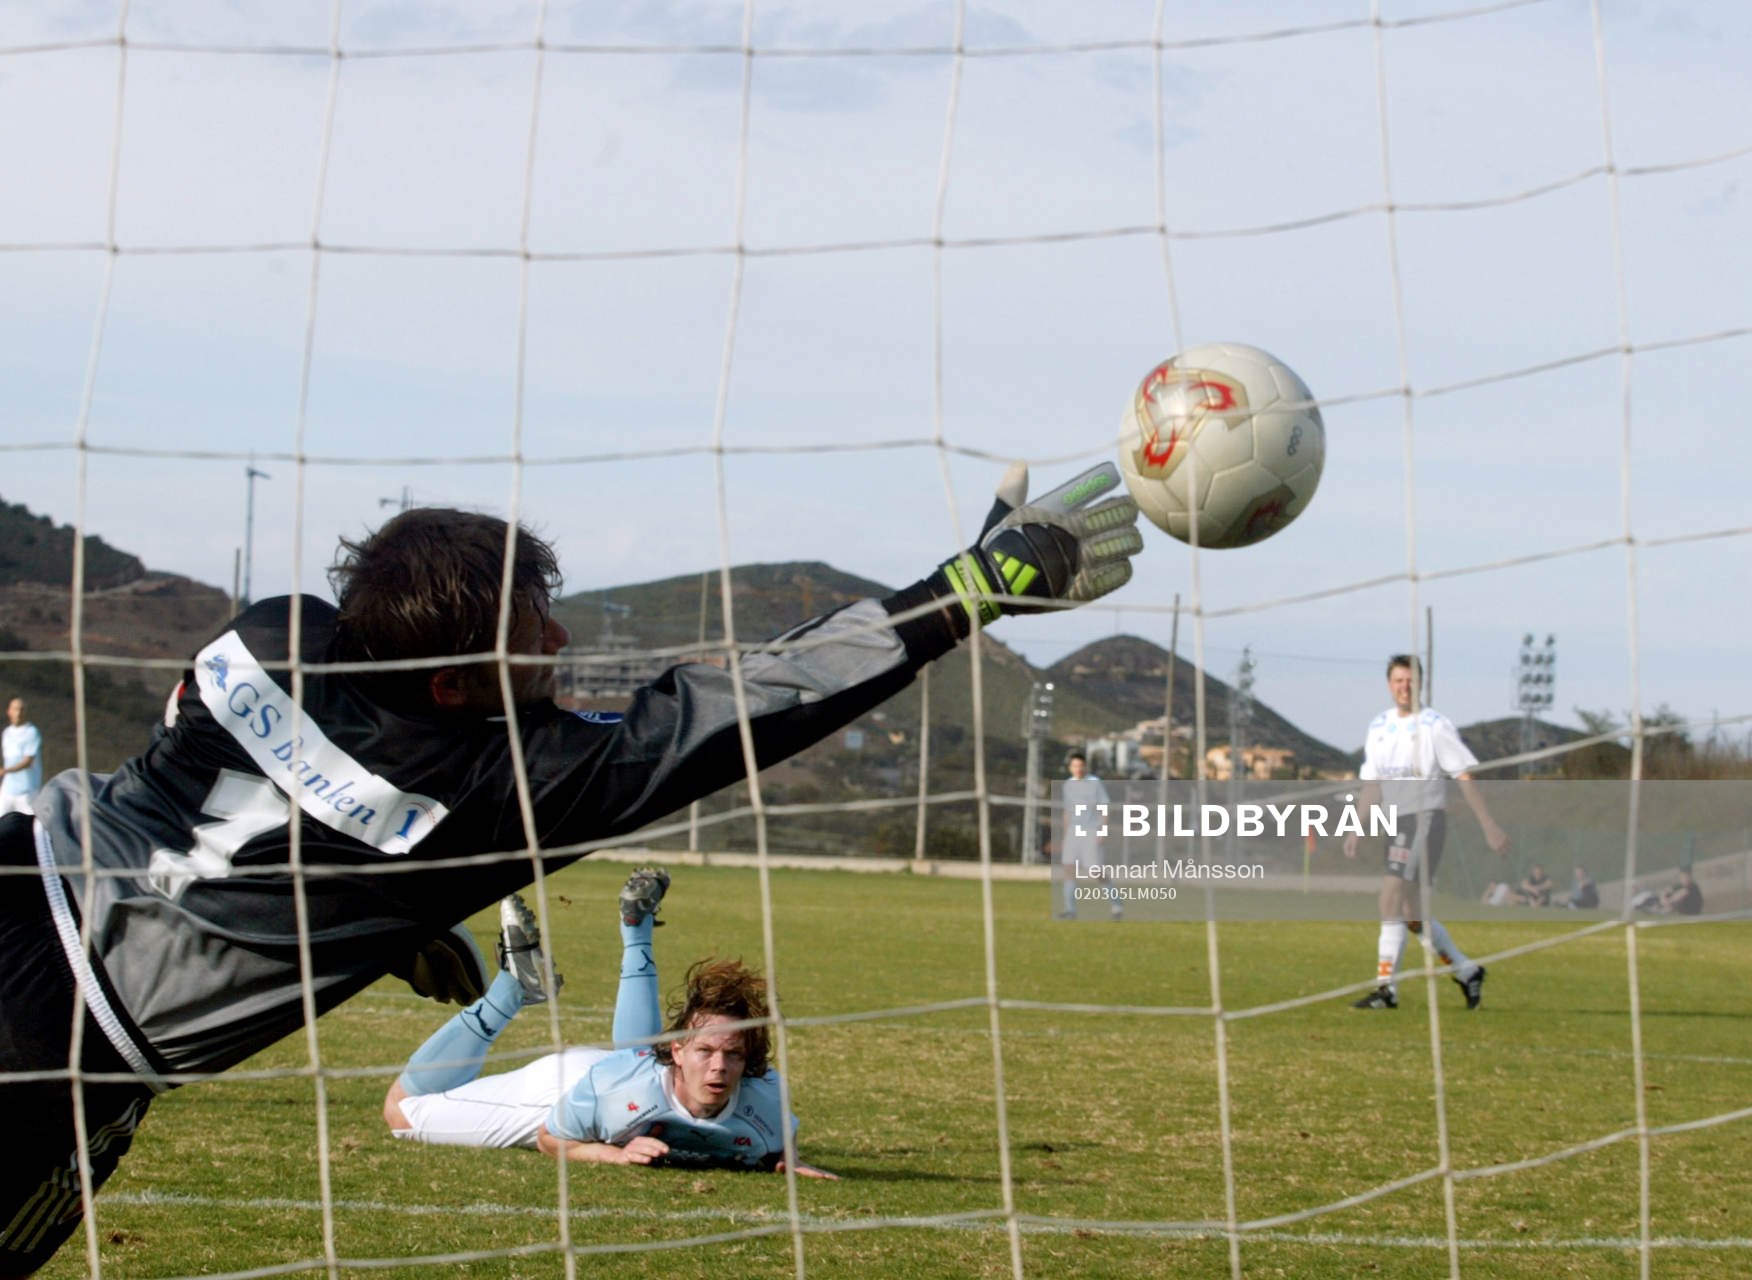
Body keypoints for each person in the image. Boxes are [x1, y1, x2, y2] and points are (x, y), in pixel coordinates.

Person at [0, 463, 1139, 1272]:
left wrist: (383, 913)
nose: (556, 642)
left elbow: (229, 775)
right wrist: (966, 591)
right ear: (453, 683)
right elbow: (753, 703)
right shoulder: (507, 787)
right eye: (531, 629)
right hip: (61, 1044)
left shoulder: (269, 628)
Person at [386, 870, 833, 1176]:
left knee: (633, 1061)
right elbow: (549, 1138)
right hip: (566, 1091)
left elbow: (777, 1141)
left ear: (748, 1061)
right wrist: (608, 1153)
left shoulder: (768, 1103)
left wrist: (785, 1160)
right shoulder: (615, 1091)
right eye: (707, 1052)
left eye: (733, 1055)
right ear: (677, 1051)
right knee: (403, 1114)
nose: (720, 1067)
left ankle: (635, 927)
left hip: (625, 1073)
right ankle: (511, 992)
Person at [1343, 655, 1511, 1011]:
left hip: (1424, 820)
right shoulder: (1378, 727)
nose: (1405, 688)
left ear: (1421, 684)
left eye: (1411, 681)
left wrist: (1489, 825)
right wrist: (1356, 827)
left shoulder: (1435, 725)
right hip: (1395, 822)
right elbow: (1372, 784)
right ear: (1390, 685)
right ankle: (1468, 972)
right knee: (1412, 913)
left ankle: (1386, 990)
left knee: (1389, 897)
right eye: (1398, 681)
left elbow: (1463, 775)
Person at [1056, 751, 1117, 920]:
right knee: (1069, 868)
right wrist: (1065, 836)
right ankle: (1070, 910)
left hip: (1092, 830)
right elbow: (1067, 812)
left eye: (1081, 765)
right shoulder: (1068, 785)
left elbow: (1104, 807)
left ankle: (1116, 904)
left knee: (1095, 871)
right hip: (1074, 831)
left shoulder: (1094, 783)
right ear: (1070, 768)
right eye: (1075, 765)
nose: (1078, 769)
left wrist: (1103, 830)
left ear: (1085, 766)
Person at [0, 698, 42, 818]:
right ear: (9, 711)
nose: (18, 713)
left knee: (30, 827)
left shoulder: (32, 732)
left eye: (21, 710)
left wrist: (6, 771)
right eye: (15, 709)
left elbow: (27, 762)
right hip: (8, 791)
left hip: (27, 792)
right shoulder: (6, 733)